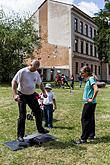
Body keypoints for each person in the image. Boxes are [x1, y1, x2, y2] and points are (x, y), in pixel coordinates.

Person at [12, 60, 49, 142]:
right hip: (22, 95)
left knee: (38, 111)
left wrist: (44, 92)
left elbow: (40, 83)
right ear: (30, 64)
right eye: (34, 67)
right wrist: (15, 95)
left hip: (31, 95)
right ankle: (20, 135)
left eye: (37, 68)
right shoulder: (22, 71)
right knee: (22, 115)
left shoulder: (36, 73)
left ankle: (40, 129)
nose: (35, 69)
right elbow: (14, 82)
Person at [75, 66, 98, 144]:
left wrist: (91, 99)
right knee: (90, 119)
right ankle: (91, 135)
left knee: (84, 119)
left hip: (89, 103)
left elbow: (96, 89)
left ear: (86, 72)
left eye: (82, 73)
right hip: (91, 103)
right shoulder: (90, 79)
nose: (81, 74)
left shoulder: (91, 79)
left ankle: (83, 139)